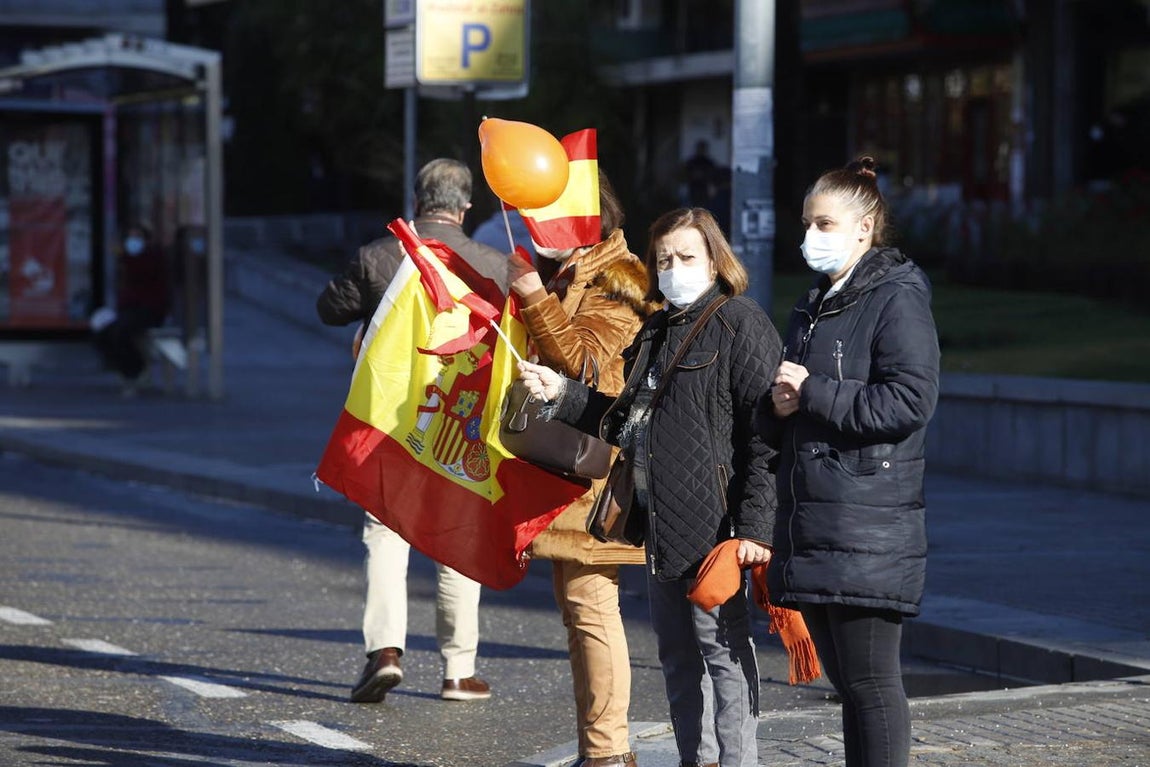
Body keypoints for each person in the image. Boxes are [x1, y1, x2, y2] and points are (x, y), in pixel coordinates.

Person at [518, 207, 781, 767]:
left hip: (718, 528)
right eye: (664, 259)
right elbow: (623, 419)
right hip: (658, 523)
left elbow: (766, 440)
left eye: (687, 257)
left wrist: (755, 530)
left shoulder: (741, 322)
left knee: (725, 658)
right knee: (677, 660)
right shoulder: (657, 328)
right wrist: (560, 394)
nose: (674, 268)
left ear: (716, 259)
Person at [755, 156, 940, 767]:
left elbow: (911, 399)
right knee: (852, 688)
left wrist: (811, 392)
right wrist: (782, 405)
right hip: (819, 519)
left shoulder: (895, 296)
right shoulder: (817, 303)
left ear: (865, 228)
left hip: (867, 519)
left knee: (872, 684)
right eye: (808, 222)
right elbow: (798, 399)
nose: (811, 236)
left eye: (825, 223)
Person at [316, 158, 508, 703]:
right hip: (458, 424)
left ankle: (385, 651)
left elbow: (329, 308)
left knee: (385, 534)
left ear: (418, 200)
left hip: (389, 422)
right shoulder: (493, 265)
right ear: (467, 207)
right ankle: (457, 671)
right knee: (457, 539)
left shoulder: (380, 254)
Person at [505, 170, 659, 767]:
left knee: (593, 608)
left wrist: (532, 295)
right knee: (579, 611)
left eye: (549, 217)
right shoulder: (571, 272)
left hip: (598, 477)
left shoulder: (622, 282)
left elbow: (588, 366)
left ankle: (607, 754)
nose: (538, 230)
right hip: (569, 471)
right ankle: (601, 751)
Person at [91, 222, 170, 397]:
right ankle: (122, 368)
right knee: (103, 331)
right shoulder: (128, 260)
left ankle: (136, 370)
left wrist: (124, 256)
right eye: (131, 237)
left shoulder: (152, 257)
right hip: (130, 310)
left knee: (122, 332)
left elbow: (143, 273)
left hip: (150, 310)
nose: (134, 241)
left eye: (138, 237)